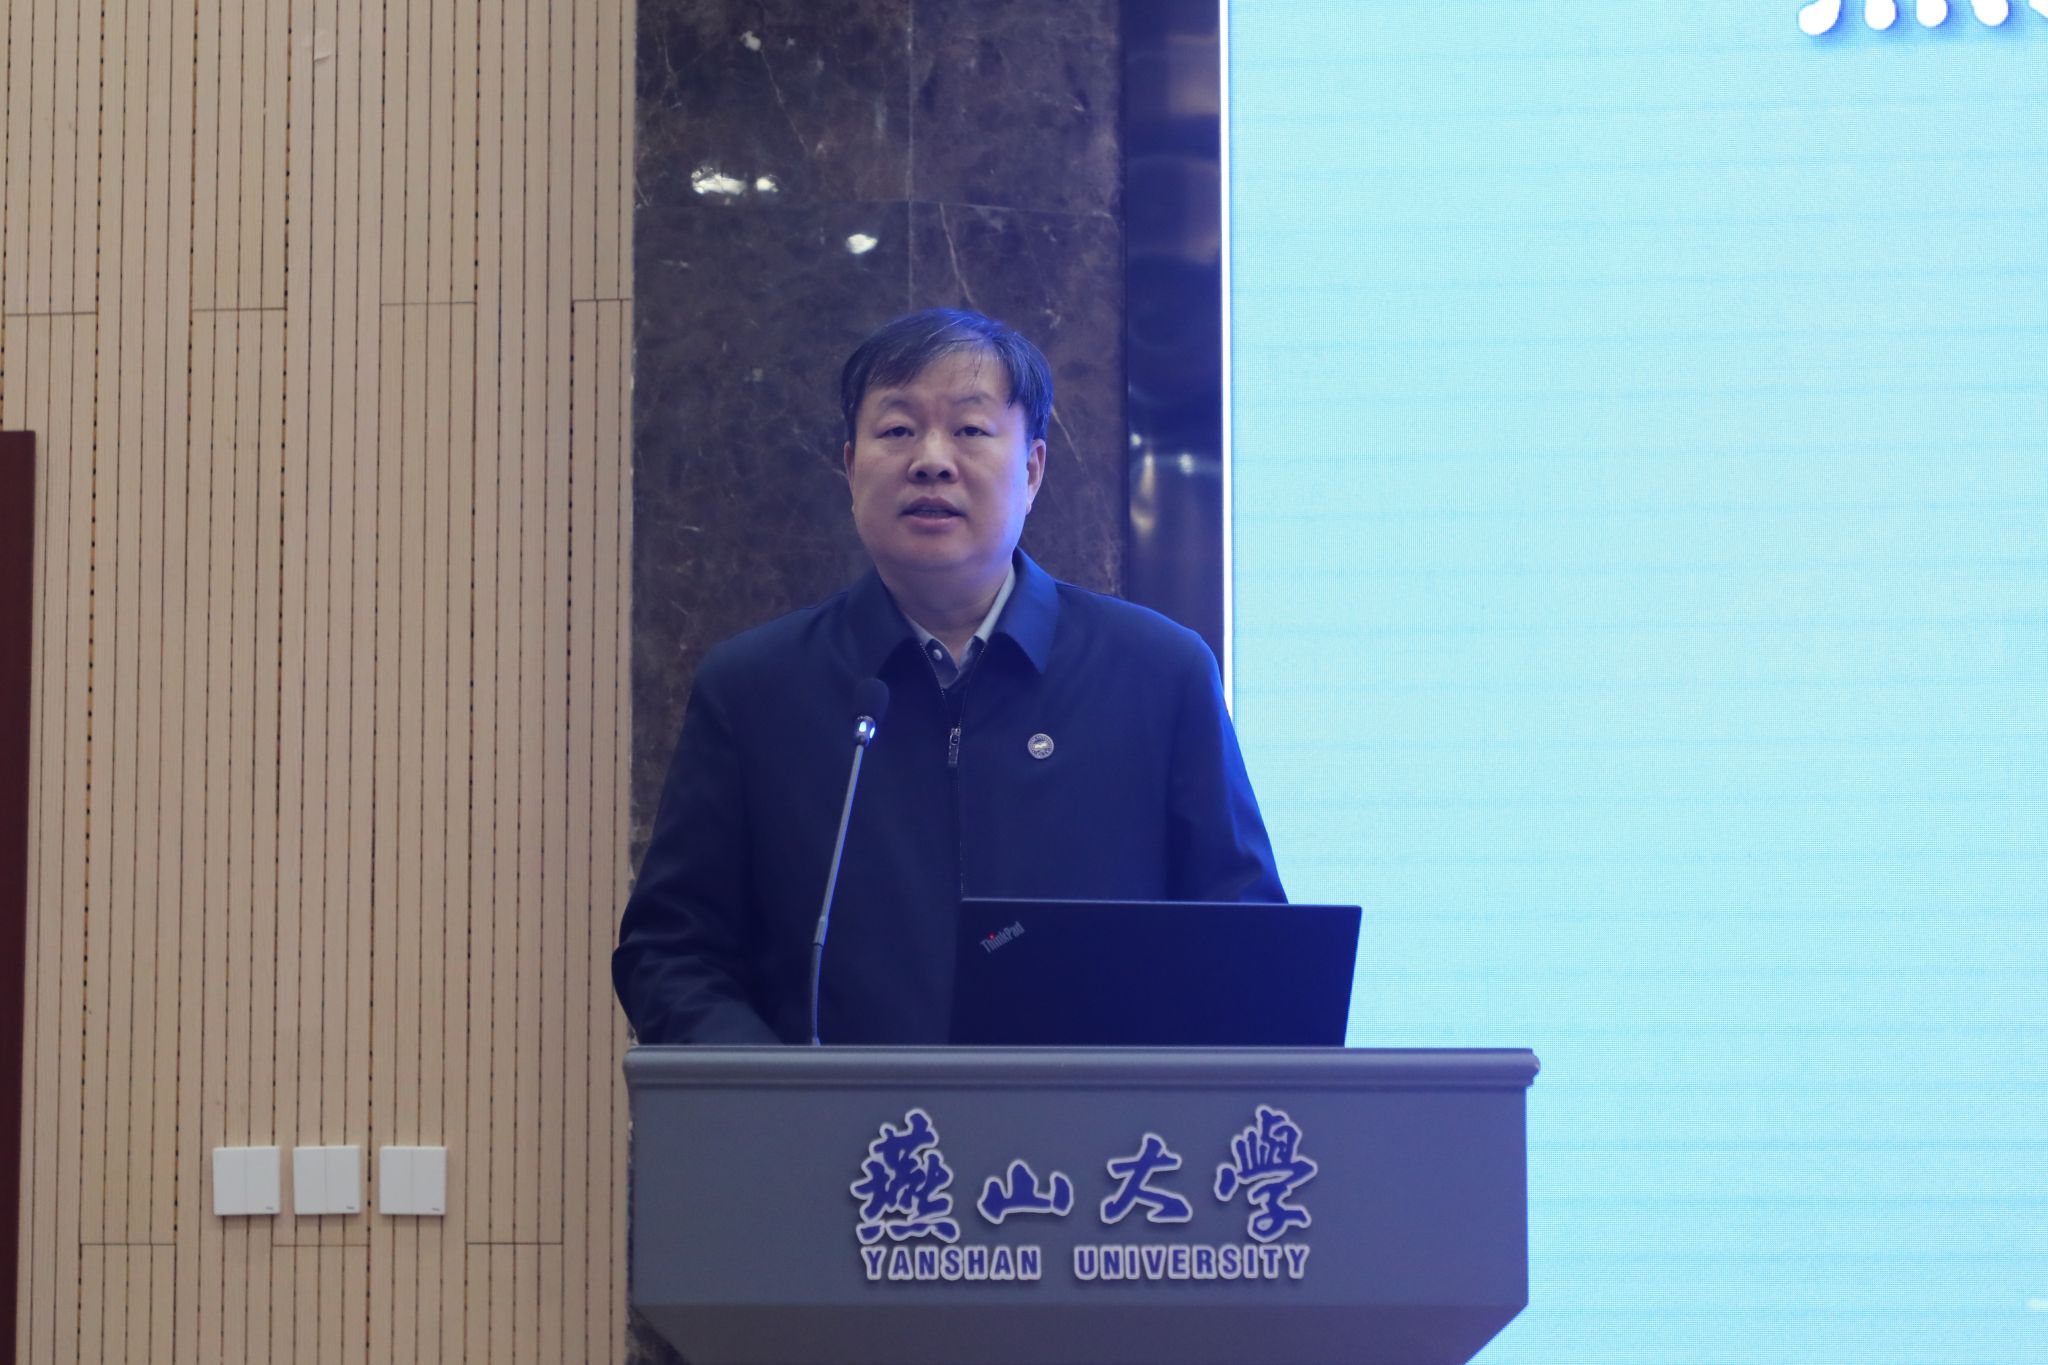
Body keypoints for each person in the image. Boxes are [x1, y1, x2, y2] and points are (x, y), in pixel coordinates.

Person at [613, 308, 1283, 1045]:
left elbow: (1247, 942)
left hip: (1088, 1120)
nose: (931, 460)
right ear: (850, 467)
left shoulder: (1158, 675)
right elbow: (672, 952)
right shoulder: (756, 690)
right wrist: (775, 1091)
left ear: (1032, 468)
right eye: (898, 430)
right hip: (841, 1123)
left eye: (969, 429)